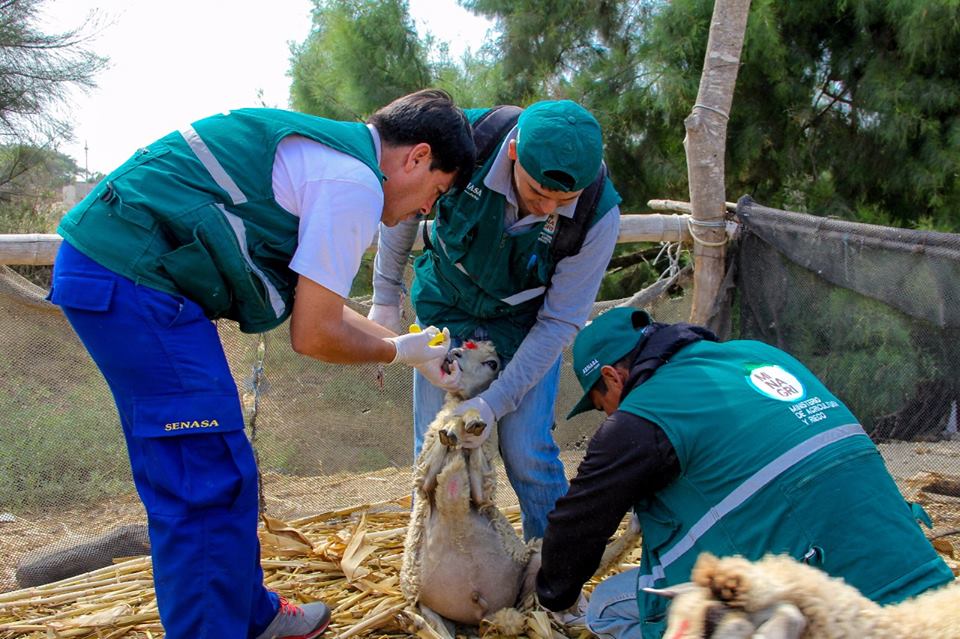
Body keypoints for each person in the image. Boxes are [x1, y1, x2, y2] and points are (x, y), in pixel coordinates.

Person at [47, 89, 475, 639]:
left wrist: (409, 350)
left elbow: (316, 302)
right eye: (435, 191)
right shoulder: (353, 185)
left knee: (222, 469)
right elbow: (315, 333)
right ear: (416, 157)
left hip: (128, 276)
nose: (425, 210)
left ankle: (252, 617)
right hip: (130, 281)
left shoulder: (330, 157)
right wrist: (394, 351)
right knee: (203, 480)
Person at [535, 307, 955, 638]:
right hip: (927, 590)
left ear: (612, 376)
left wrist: (551, 595)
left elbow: (578, 527)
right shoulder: (760, 356)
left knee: (609, 606)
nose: (606, 413)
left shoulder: (639, 419)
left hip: (828, 610)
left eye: (600, 402)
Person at [367, 100, 622, 540]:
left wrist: (494, 402)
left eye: (564, 201)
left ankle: (552, 582)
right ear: (513, 153)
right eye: (537, 192)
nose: (546, 209)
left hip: (525, 327)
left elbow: (560, 321)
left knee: (528, 453)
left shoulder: (598, 214)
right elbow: (403, 199)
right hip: (446, 311)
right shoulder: (467, 140)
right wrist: (385, 296)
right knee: (435, 447)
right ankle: (429, 575)